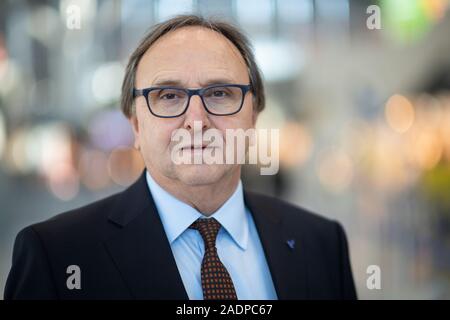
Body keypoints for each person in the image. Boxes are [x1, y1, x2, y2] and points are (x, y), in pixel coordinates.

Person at [4, 15, 357, 300]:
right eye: (169, 96)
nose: (197, 120)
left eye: (220, 93)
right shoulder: (57, 255)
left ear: (253, 116)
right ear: (137, 125)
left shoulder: (322, 243)